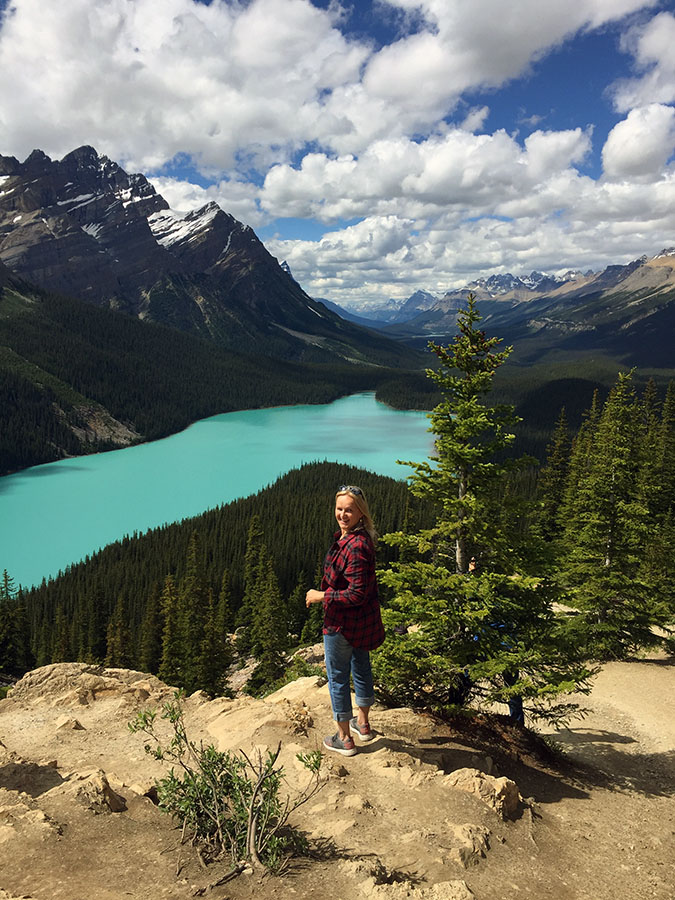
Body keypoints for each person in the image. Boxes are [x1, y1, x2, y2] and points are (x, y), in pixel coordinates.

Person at [306, 485, 385, 756]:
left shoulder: (356, 546)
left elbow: (356, 593)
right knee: (361, 666)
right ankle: (362, 725)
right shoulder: (358, 539)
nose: (342, 514)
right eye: (339, 509)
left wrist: (320, 596)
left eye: (349, 510)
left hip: (342, 625)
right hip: (361, 623)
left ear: (361, 513)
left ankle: (344, 738)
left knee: (338, 677)